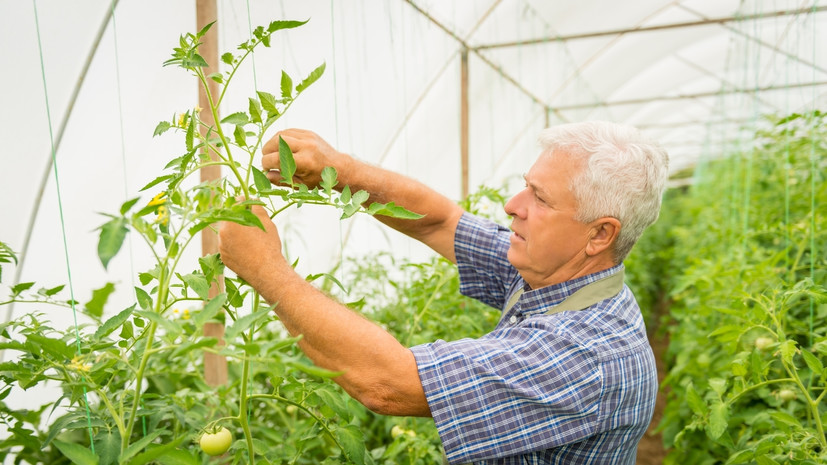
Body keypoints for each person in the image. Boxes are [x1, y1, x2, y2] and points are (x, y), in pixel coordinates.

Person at [218, 121, 669, 464]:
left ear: (599, 234)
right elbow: (442, 222)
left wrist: (264, 269)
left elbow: (387, 384)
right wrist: (340, 171)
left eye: (540, 198)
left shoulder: (587, 355)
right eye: (524, 186)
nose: (513, 205)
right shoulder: (557, 273)